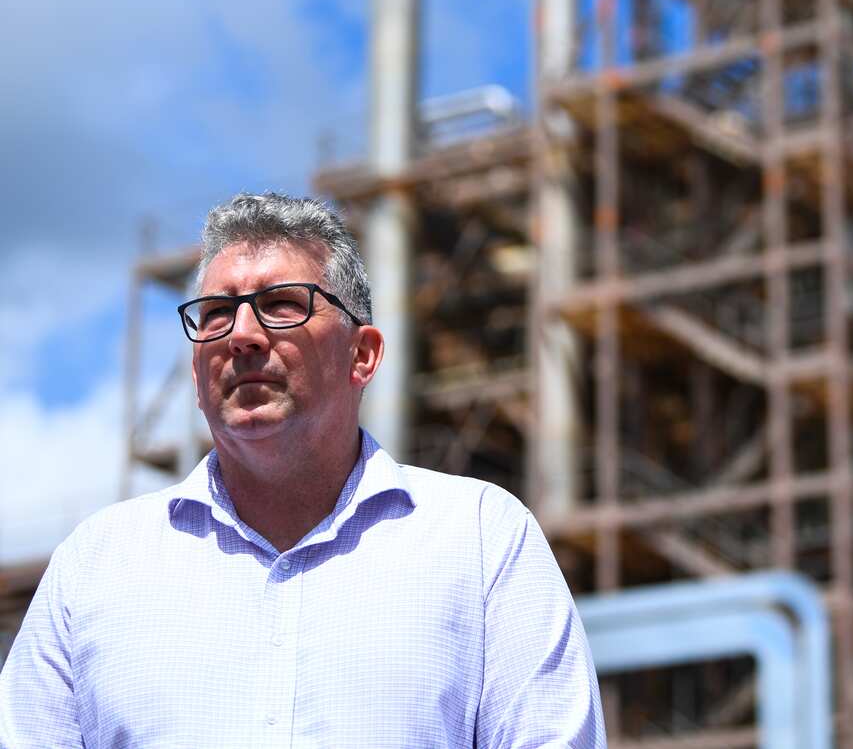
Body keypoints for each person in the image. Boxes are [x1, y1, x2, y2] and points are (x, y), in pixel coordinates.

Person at [0, 193, 605, 748]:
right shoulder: (95, 568)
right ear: (194, 370)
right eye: (215, 313)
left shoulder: (480, 540)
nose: (241, 335)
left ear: (362, 354)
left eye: (281, 305)